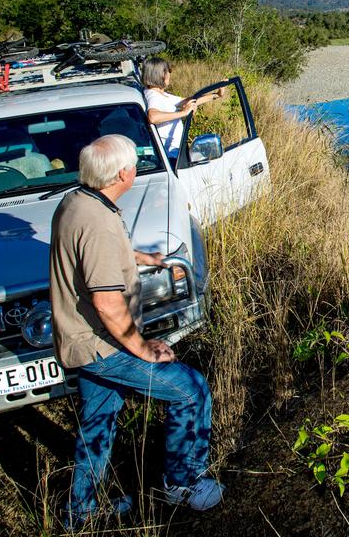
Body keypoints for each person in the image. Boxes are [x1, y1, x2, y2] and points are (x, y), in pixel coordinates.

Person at [49, 134, 222, 528]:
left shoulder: (77, 202)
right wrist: (143, 348)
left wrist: (141, 257)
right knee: (191, 390)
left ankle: (81, 511)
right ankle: (183, 483)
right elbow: (107, 303)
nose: (135, 169)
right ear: (122, 173)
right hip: (103, 347)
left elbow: (90, 256)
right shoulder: (99, 225)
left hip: (80, 342)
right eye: (134, 164)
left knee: (98, 421)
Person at [141, 57, 226, 159]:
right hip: (171, 156)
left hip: (176, 152)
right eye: (169, 71)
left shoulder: (160, 94)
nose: (170, 74)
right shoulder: (153, 96)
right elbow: (153, 117)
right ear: (161, 74)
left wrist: (216, 95)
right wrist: (183, 113)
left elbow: (190, 101)